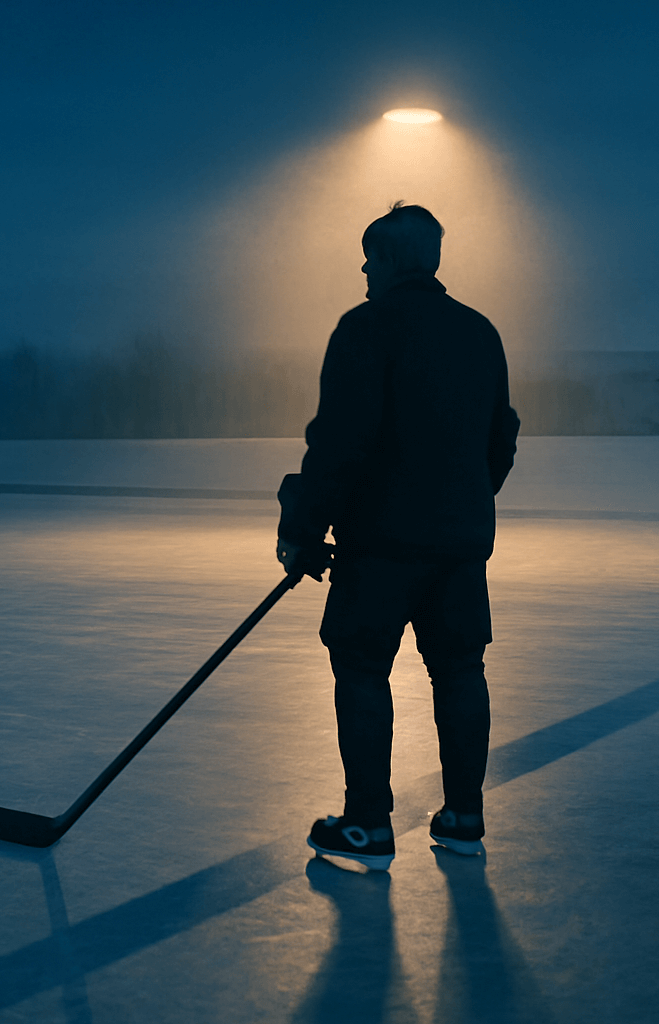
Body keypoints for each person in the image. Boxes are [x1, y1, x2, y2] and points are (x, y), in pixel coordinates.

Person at [276, 202, 519, 869]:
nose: (362, 267)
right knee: (461, 668)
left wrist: (301, 526)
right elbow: (501, 439)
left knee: (360, 667)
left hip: (380, 543)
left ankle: (367, 825)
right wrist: (459, 506)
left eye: (368, 255)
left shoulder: (366, 327)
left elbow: (339, 444)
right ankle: (465, 817)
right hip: (461, 544)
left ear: (389, 260)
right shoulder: (479, 333)